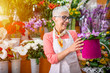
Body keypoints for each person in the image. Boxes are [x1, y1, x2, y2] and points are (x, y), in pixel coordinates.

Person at [43, 6, 86, 73]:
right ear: (54, 19)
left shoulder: (73, 33)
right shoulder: (48, 36)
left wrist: (88, 57)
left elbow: (78, 54)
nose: (67, 21)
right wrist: (69, 49)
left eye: (68, 18)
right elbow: (52, 59)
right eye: (64, 17)